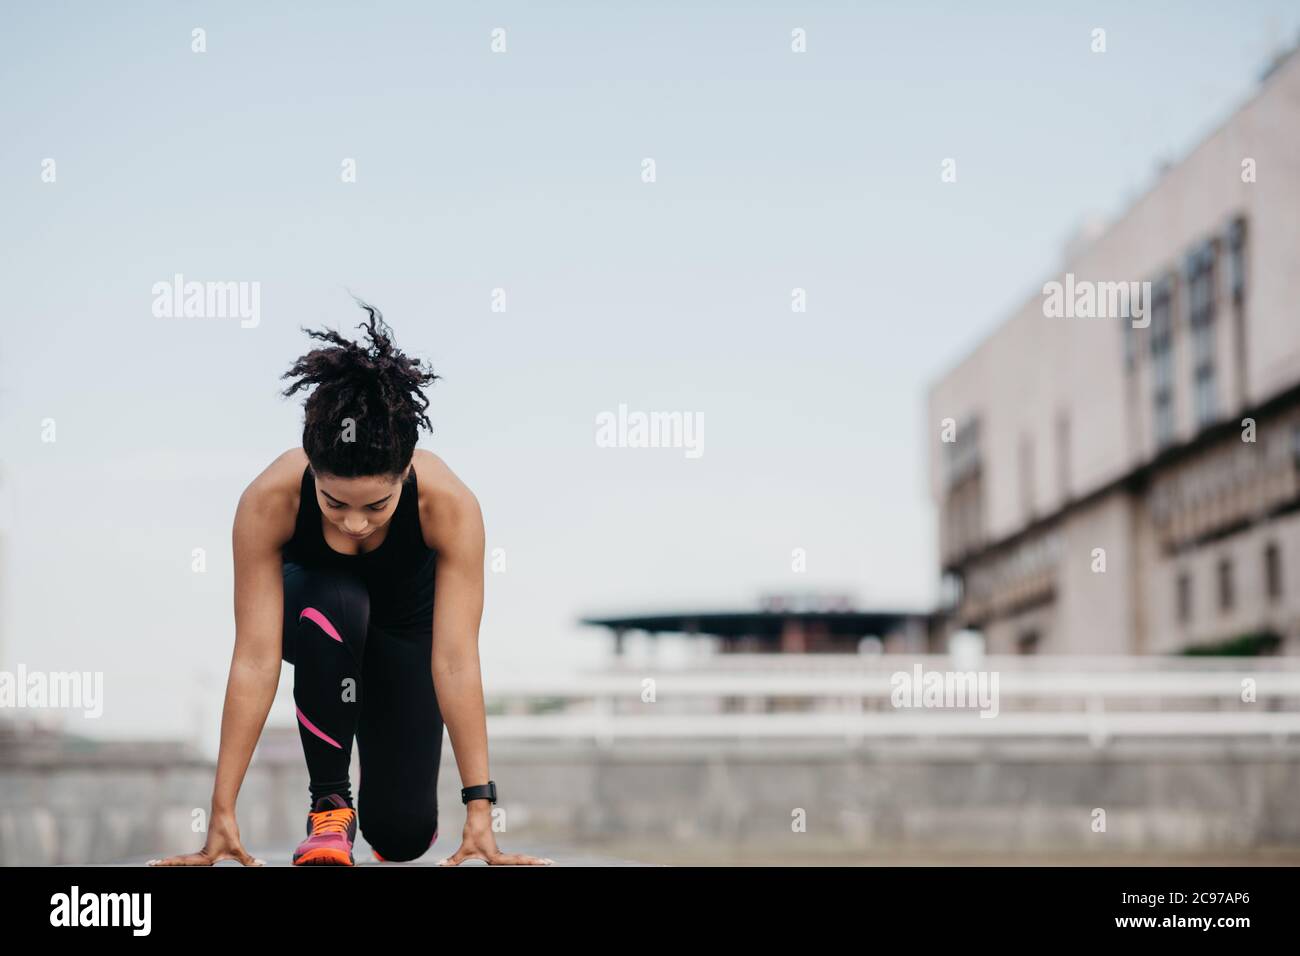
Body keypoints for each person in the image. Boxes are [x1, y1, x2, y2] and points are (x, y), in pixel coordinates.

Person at [149, 299, 551, 867]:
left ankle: (378, 779)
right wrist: (221, 810)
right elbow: (256, 658)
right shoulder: (269, 501)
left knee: (403, 836)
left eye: (376, 505)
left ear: (406, 469)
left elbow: (457, 660)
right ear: (311, 468)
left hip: (404, 638)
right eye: (334, 502)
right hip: (314, 619)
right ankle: (330, 810)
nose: (354, 522)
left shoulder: (450, 507)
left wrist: (480, 811)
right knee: (340, 597)